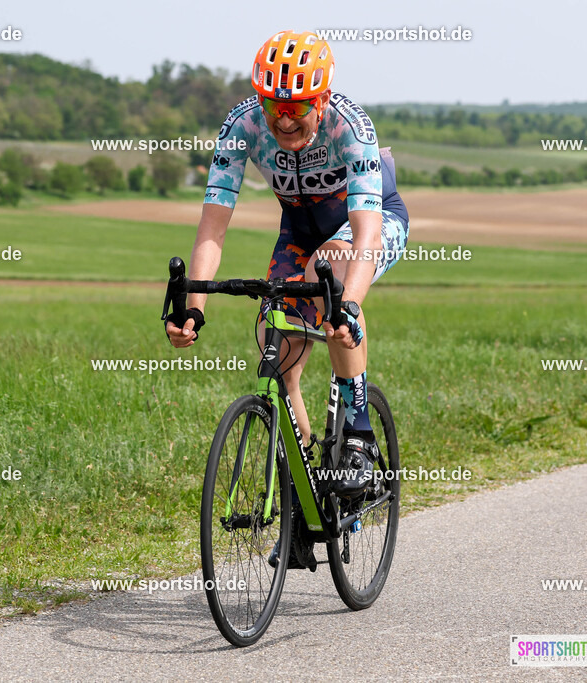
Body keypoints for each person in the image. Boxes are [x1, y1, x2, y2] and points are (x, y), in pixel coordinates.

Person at [165, 30, 409, 497]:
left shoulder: (349, 128)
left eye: (296, 108)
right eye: (272, 106)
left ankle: (357, 436)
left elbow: (366, 234)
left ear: (322, 100)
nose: (283, 119)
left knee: (333, 275)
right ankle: (304, 488)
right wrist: (193, 309)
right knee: (273, 343)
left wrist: (350, 308)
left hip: (370, 226)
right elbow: (212, 229)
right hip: (299, 231)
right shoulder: (242, 127)